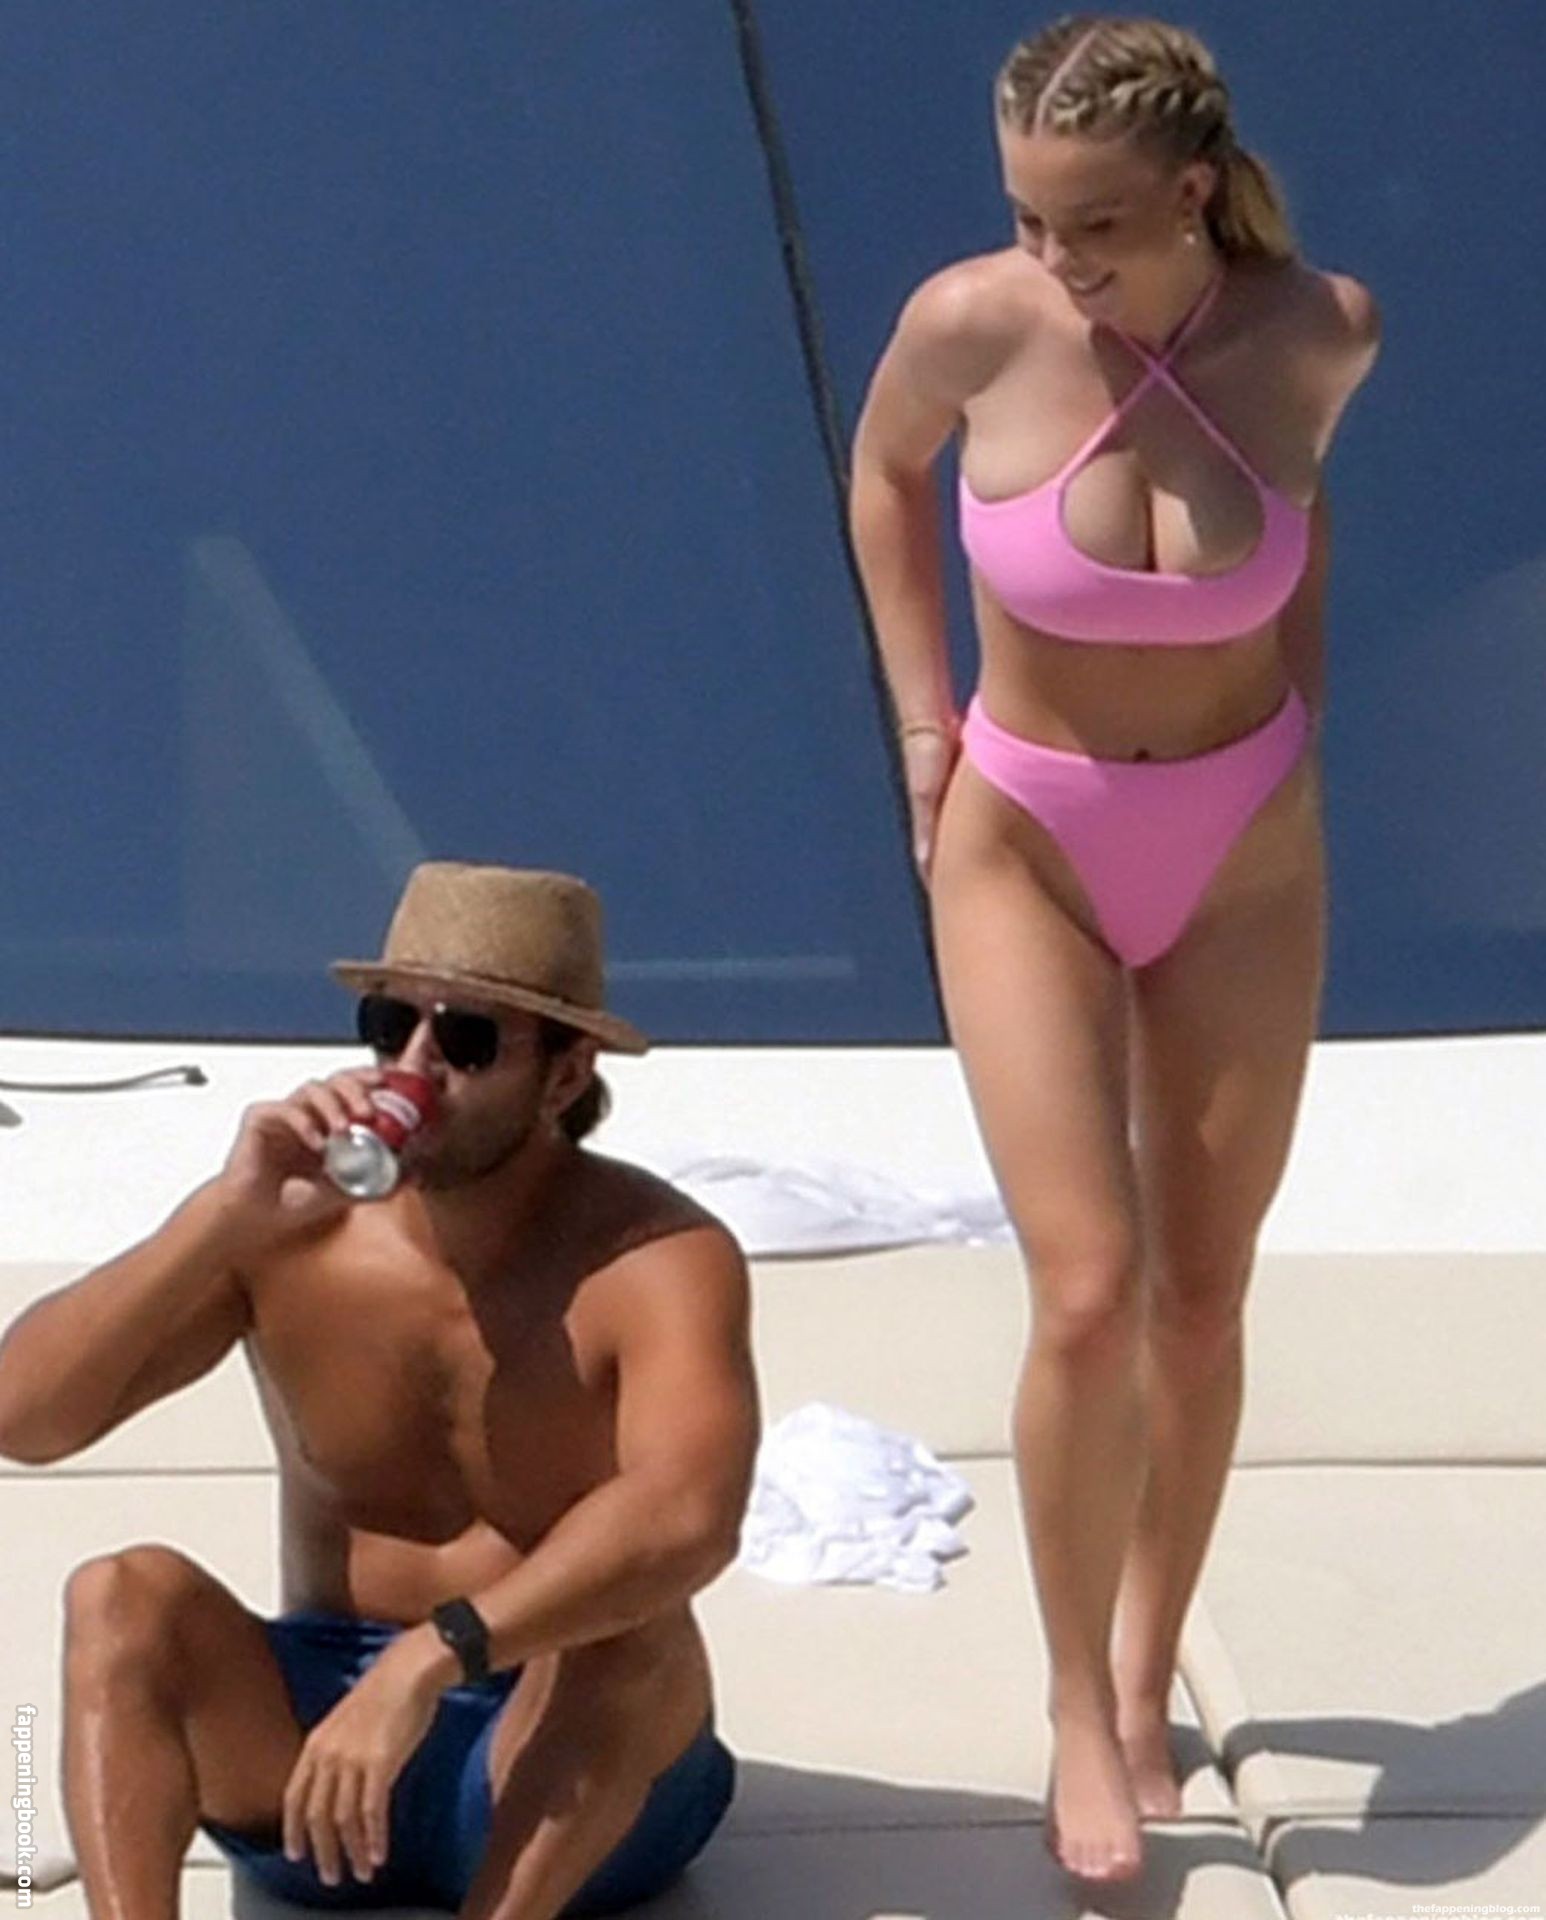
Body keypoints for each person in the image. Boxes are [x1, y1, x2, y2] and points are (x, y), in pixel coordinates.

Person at [848, 12, 1380, 1886]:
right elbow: (882, 482)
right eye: (1026, 216)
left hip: (1243, 848)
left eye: (1089, 223)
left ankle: (1151, 1665)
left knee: (1202, 1296)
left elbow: (1303, 525)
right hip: (1029, 844)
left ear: (1190, 191)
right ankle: (1077, 1701)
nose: (1052, 257)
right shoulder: (968, 325)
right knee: (1086, 1288)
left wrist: (1296, 720)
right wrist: (924, 727)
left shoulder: (1317, 330)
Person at [0, 861, 759, 1920]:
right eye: (390, 1023)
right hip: (321, 1757)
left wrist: (432, 1659)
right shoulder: (290, 1231)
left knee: (635, 1631)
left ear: (564, 1075)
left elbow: (688, 1517)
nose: (413, 1068)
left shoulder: (655, 1258)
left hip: (568, 1771)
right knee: (119, 1597)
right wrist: (221, 1219)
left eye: (467, 1040)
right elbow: (26, 1420)